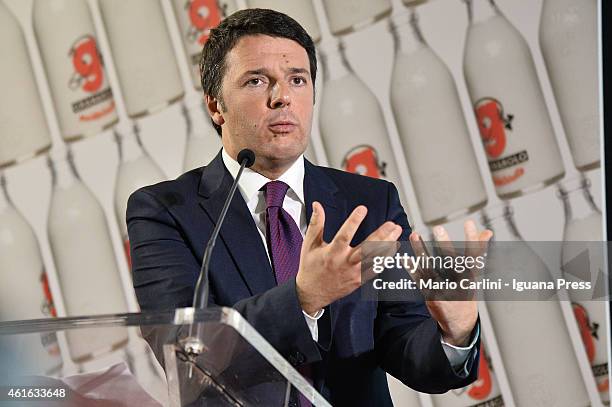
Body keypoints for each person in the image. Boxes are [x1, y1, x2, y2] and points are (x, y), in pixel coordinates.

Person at [127, 8, 491, 406]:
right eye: (256, 80)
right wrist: (302, 298)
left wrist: (455, 333)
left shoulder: (369, 202)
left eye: (297, 80)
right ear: (216, 105)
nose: (282, 97)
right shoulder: (165, 211)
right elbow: (184, 351)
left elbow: (405, 346)